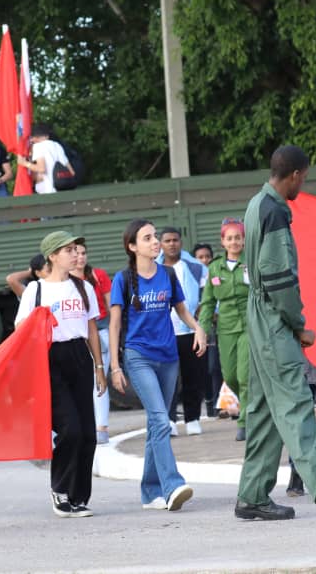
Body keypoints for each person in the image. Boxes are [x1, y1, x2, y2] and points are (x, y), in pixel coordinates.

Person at [236, 145, 316, 524]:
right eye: (304, 177)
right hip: (274, 319)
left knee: (263, 412)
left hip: (257, 315)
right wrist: (298, 326)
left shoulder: (256, 202)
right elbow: (279, 278)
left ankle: (253, 496)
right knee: (294, 403)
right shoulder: (275, 210)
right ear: (295, 175)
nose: (303, 184)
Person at [108, 219, 206, 512]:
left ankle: (149, 491)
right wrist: (114, 366)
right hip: (138, 357)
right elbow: (114, 325)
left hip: (168, 357)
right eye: (148, 238)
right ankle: (172, 484)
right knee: (162, 420)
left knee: (156, 423)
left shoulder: (167, 274)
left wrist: (197, 328)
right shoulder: (123, 280)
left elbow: (182, 310)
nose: (155, 242)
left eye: (155, 237)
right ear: (132, 246)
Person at [15, 231, 106, 517]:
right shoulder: (35, 291)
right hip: (49, 359)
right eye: (67, 250)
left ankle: (79, 496)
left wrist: (99, 367)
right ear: (52, 256)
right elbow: (22, 330)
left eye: (75, 249)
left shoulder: (83, 287)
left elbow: (91, 329)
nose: (74, 255)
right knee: (70, 429)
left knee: (88, 433)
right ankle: (60, 489)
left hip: (79, 356)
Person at [198, 218, 252, 441]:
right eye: (229, 238)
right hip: (226, 328)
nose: (234, 242)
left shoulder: (252, 262)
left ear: (244, 240)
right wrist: (202, 329)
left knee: (244, 375)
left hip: (250, 326)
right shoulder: (214, 268)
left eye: (238, 237)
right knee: (230, 376)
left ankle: (246, 420)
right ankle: (255, 406)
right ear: (223, 242)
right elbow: (208, 302)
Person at [157, 227, 207, 437]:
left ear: (181, 242)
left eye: (175, 240)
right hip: (164, 332)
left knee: (192, 377)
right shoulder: (153, 267)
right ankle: (169, 420)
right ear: (160, 244)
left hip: (190, 331)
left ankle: (193, 418)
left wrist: (200, 323)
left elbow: (208, 296)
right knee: (167, 379)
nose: (171, 244)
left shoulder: (195, 267)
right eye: (167, 241)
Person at [70, 242, 112, 444]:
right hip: (76, 336)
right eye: (75, 253)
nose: (80, 257)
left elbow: (111, 305)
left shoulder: (97, 276)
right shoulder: (64, 281)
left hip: (101, 331)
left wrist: (115, 334)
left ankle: (101, 427)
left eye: (83, 253)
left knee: (100, 378)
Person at [192, 243, 222, 418]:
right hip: (199, 328)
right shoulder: (191, 278)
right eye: (200, 257)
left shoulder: (216, 275)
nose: (204, 260)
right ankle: (210, 403)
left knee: (216, 367)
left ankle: (219, 405)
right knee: (205, 369)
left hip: (217, 326)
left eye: (207, 256)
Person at [16, 123, 71, 194]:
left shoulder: (38, 146)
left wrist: (25, 163)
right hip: (63, 190)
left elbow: (41, 169)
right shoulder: (57, 145)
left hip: (48, 191)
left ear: (33, 138)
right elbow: (71, 171)